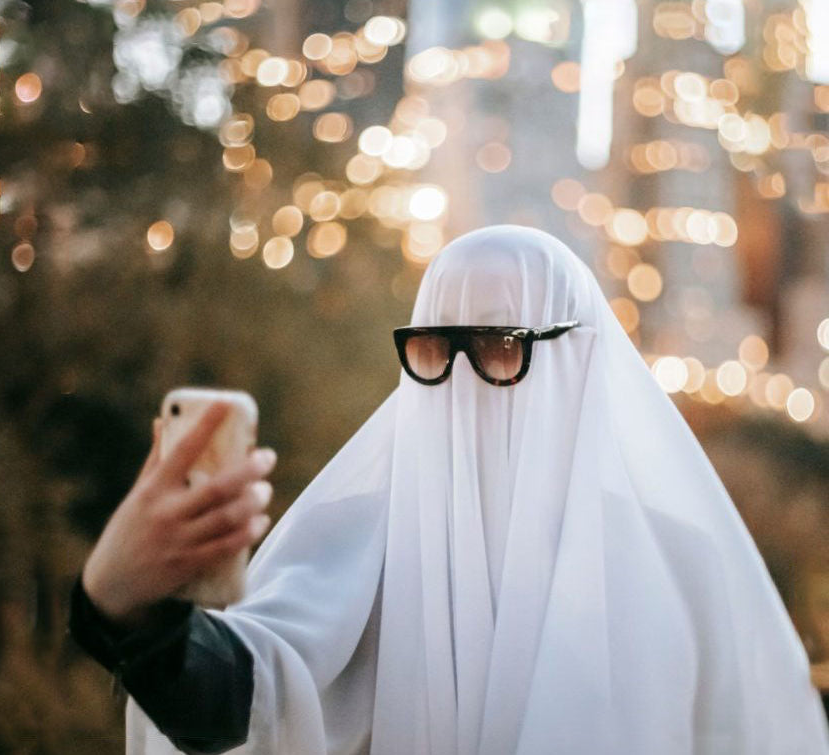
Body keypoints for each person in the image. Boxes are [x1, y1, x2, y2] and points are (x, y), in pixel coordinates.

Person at [71, 225, 829, 754]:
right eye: (438, 345)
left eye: (501, 346)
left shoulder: (677, 563)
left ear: (577, 359)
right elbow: (249, 696)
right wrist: (122, 605)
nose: (464, 379)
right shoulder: (357, 534)